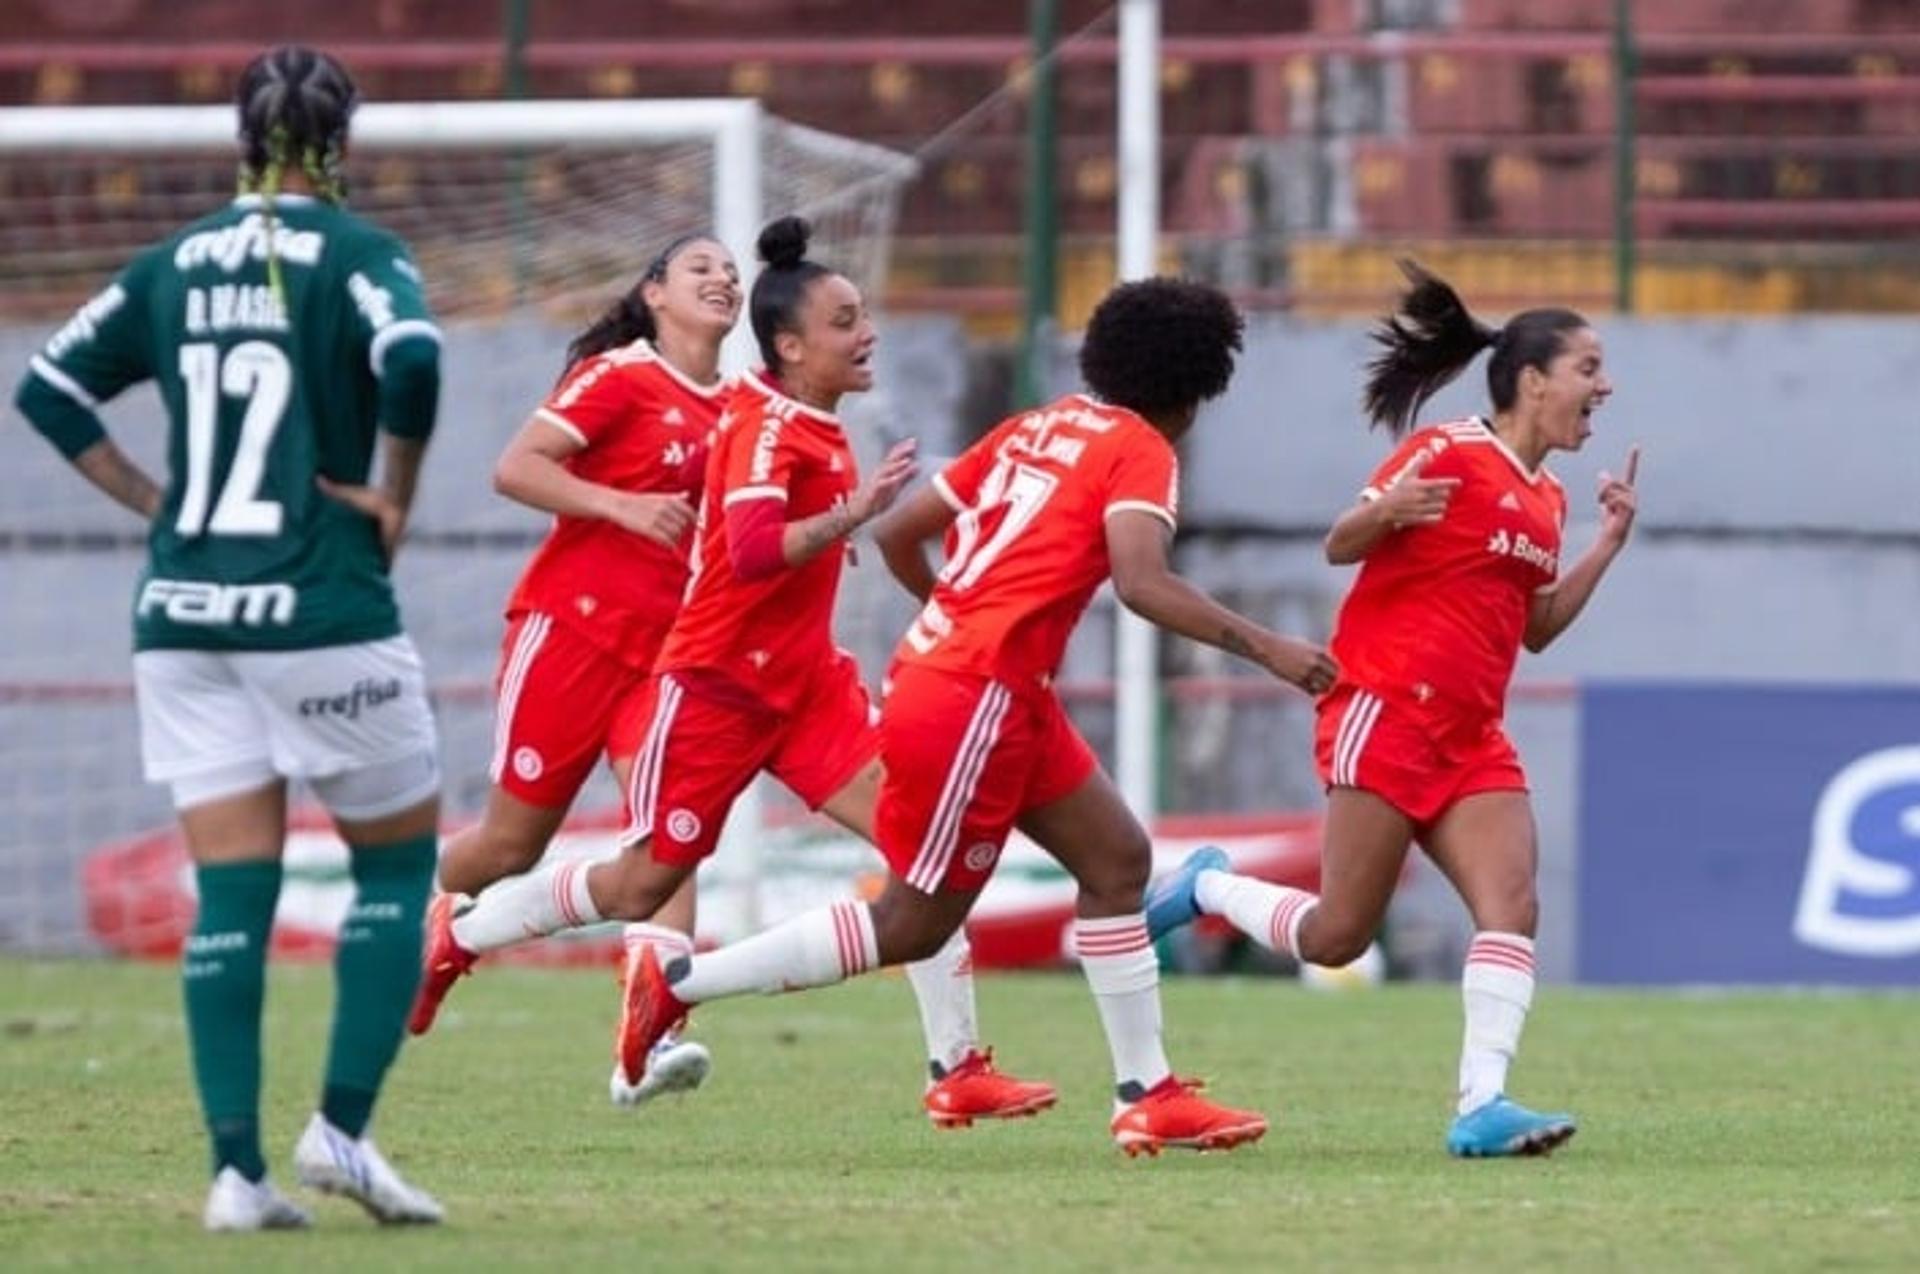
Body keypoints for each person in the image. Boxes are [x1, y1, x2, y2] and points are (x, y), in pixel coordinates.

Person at [615, 277, 1339, 1156]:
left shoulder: (1036, 424)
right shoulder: (1142, 449)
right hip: (975, 697)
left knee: (1116, 860)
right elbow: (1143, 584)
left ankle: (1146, 1094)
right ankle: (681, 983)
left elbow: (897, 534)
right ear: (1194, 392)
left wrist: (957, 617)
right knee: (915, 920)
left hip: (986, 684)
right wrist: (1273, 650)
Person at [411, 216, 1057, 1128]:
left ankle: (945, 1065)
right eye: (847, 320)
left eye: (727, 266)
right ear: (656, 294)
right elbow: (742, 545)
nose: (868, 333)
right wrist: (832, 517)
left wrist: (835, 530)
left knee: (921, 846)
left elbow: (751, 535)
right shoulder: (643, 381)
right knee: (562, 857)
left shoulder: (764, 409)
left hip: (784, 681)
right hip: (621, 651)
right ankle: (449, 928)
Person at [12, 46, 445, 1229]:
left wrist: (156, 503)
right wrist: (395, 487)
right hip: (319, 605)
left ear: (240, 142)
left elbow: (47, 388)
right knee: (398, 868)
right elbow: (411, 356)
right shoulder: (361, 255)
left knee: (230, 893)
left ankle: (232, 1172)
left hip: (184, 615)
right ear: (339, 145)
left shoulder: (170, 262)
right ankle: (342, 1133)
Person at [1146, 261, 1638, 1158]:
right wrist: (1392, 510)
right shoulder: (1446, 452)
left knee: (1512, 906)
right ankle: (1205, 886)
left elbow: (1537, 630)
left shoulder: (1550, 497)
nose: (1603, 387)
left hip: (1472, 737)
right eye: (1588, 369)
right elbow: (1342, 542)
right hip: (1388, 714)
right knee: (1337, 936)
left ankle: (1481, 1105)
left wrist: (1606, 544)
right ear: (1532, 381)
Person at [402, 233, 738, 1109]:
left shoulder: (741, 409)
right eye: (701, 267)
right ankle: (405, 922)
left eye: (733, 272)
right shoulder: (620, 376)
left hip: (663, 658)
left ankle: (650, 1042)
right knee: (514, 844)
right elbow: (516, 469)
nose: (724, 279)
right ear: (654, 291)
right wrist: (622, 506)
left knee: (669, 834)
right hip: (572, 636)